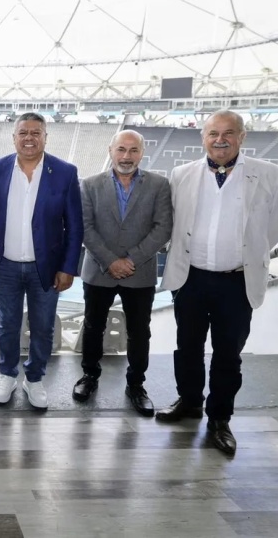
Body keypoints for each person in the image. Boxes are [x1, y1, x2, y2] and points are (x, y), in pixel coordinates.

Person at [156, 110, 278, 455]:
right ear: (203, 137)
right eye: (213, 132)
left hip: (237, 282)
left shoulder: (272, 176)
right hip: (191, 278)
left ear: (242, 137)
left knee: (228, 354)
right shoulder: (181, 174)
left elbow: (274, 228)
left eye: (229, 133)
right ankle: (189, 402)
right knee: (187, 347)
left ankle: (220, 418)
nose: (220, 139)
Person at [73, 130, 173, 416]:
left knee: (139, 331)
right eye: (121, 150)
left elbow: (163, 228)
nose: (126, 156)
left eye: (132, 151)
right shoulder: (89, 185)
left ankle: (136, 384)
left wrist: (131, 259)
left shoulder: (159, 185)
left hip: (139, 272)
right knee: (93, 327)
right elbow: (85, 228)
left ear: (141, 153)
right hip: (99, 269)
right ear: (110, 151)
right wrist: (110, 261)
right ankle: (89, 376)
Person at [0, 113, 83, 410]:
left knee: (43, 327)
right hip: (5, 265)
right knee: (7, 325)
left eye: (36, 133)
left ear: (45, 137)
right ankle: (7, 374)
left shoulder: (65, 172)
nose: (29, 138)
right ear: (13, 137)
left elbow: (75, 226)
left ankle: (35, 377)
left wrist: (68, 267)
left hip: (47, 267)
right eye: (23, 132)